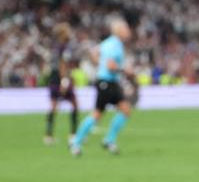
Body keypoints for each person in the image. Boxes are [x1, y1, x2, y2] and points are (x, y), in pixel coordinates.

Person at [70, 19, 133, 156]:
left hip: (109, 81)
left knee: (125, 110)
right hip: (106, 82)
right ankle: (76, 142)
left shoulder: (109, 42)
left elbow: (94, 52)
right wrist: (125, 70)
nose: (129, 32)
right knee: (97, 114)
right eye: (126, 29)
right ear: (119, 31)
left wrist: (99, 64)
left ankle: (109, 140)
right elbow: (111, 66)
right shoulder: (114, 45)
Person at [44, 23, 79, 144]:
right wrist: (64, 81)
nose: (69, 33)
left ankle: (48, 135)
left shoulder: (54, 47)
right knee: (74, 104)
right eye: (67, 31)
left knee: (53, 106)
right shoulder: (64, 48)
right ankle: (73, 134)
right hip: (61, 79)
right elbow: (63, 65)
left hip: (53, 78)